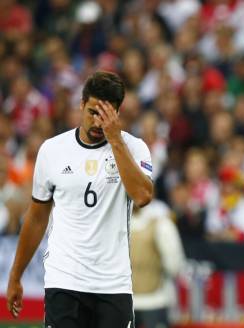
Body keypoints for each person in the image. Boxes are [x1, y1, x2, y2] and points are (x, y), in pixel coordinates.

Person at [6, 71, 154, 327]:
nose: (98, 123)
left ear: (117, 113)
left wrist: (115, 139)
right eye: (93, 112)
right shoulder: (52, 150)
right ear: (82, 104)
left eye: (106, 115)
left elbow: (142, 196)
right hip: (64, 282)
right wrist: (16, 275)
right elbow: (37, 216)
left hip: (113, 284)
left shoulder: (134, 148)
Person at [130, 200, 185, 328]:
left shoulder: (160, 222)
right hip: (154, 300)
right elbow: (174, 264)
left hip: (148, 301)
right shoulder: (162, 223)